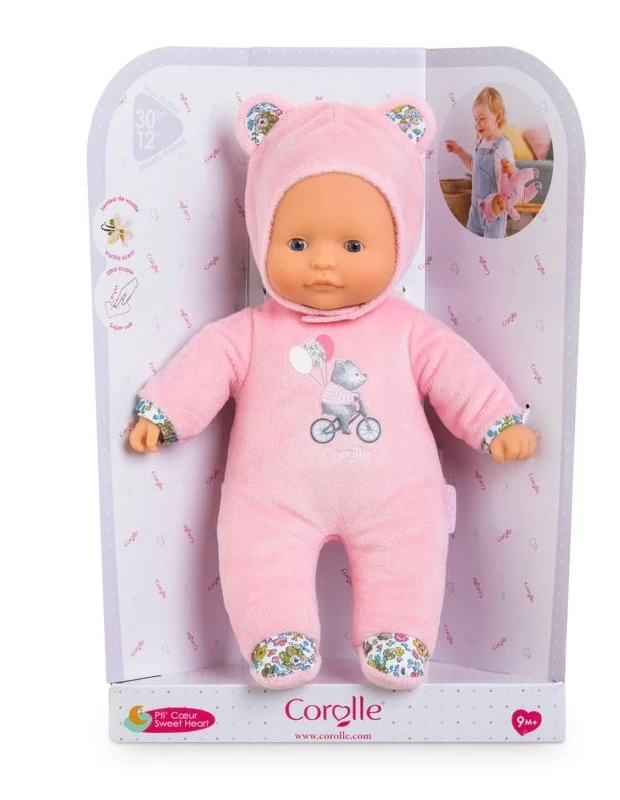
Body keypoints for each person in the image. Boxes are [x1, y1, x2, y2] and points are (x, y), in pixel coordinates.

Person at [128, 96, 537, 691]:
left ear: (400, 240)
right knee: (256, 549)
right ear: (262, 233)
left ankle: (398, 635)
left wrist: (497, 421)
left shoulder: (407, 330)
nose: (323, 264)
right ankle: (277, 637)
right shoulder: (251, 333)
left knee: (409, 550)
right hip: (272, 496)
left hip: (396, 494)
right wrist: (164, 413)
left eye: (352, 247)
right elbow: (205, 366)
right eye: (297, 245)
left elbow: (458, 373)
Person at [446, 87, 515, 238]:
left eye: (482, 118)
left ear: (498, 117)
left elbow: (513, 176)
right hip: (475, 208)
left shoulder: (503, 145)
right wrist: (459, 151)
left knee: (492, 243)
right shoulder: (480, 142)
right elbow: (474, 166)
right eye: (475, 119)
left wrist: (508, 169)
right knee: (473, 239)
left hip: (494, 208)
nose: (478, 123)